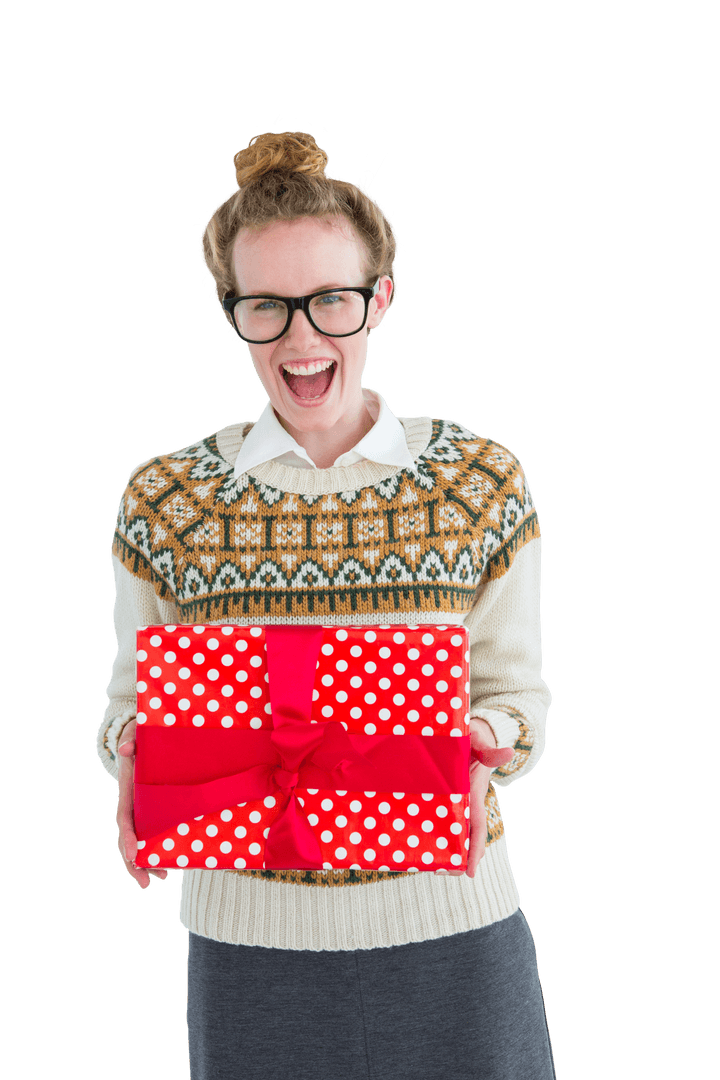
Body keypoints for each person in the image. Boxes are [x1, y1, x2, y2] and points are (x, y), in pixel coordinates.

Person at [96, 130, 556, 1080]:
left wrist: (485, 743)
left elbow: (519, 695)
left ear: (379, 298)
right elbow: (127, 703)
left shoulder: (478, 480)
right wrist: (133, 758)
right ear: (233, 314)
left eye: (329, 302)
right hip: (247, 951)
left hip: (454, 934)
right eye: (267, 306)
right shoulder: (167, 498)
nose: (303, 339)